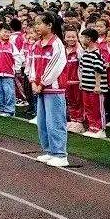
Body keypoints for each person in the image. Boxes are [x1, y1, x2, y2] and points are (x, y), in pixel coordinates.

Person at [31, 12, 69, 167]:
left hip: (53, 88)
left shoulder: (57, 44)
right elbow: (32, 64)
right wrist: (33, 81)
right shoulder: (36, 44)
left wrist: (42, 83)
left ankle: (60, 154)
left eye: (39, 23)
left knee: (55, 121)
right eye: (36, 24)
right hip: (40, 88)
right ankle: (49, 151)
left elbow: (55, 67)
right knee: (43, 121)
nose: (36, 27)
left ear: (49, 25)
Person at [79, 28, 108, 138]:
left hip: (95, 87)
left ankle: (101, 129)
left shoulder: (97, 53)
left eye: (83, 37)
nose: (82, 40)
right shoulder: (85, 53)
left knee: (97, 108)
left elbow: (98, 70)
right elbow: (81, 68)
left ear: (89, 39)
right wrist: (81, 81)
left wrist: (97, 85)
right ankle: (92, 127)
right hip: (86, 85)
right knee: (88, 107)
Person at [0, 21, 22, 117]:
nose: (6, 34)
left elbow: (17, 57)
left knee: (9, 91)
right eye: (4, 32)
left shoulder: (11, 45)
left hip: (8, 73)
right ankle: (0, 108)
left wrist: (16, 69)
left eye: (8, 32)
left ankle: (9, 110)